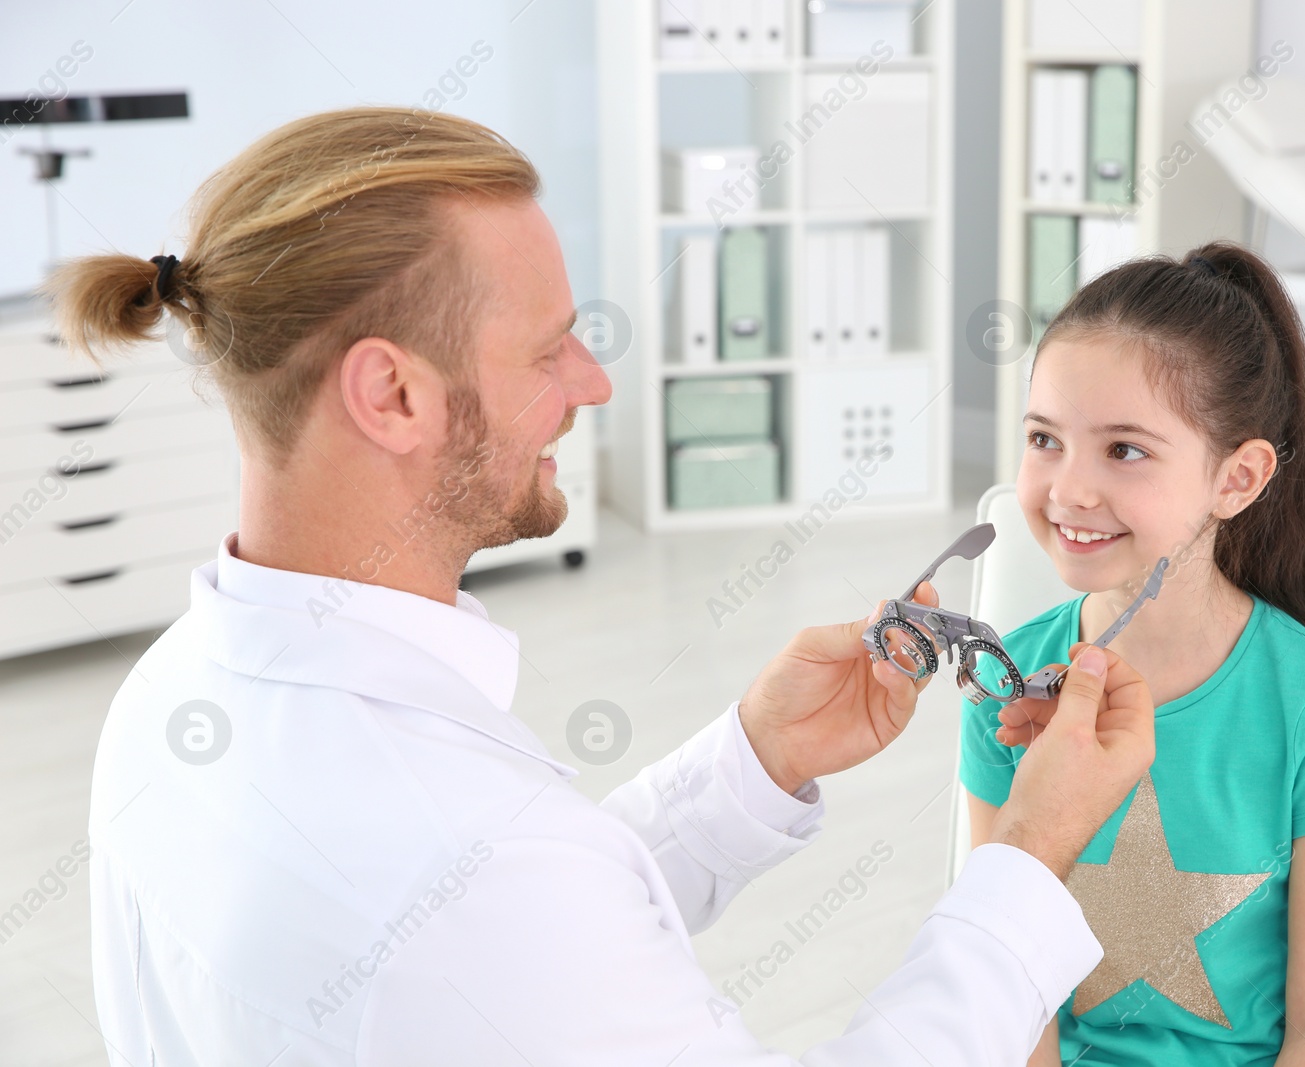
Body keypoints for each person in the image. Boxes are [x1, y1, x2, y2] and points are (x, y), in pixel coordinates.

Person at [48, 107, 1158, 1066]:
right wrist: (1026, 856)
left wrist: (752, 765)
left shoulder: (166, 700)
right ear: (390, 393)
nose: (595, 379)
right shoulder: (469, 858)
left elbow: (514, 972)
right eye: (549, 349)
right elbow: (504, 917)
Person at [961, 243, 1305, 1066]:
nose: (1069, 489)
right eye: (1045, 438)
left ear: (1237, 479)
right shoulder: (1001, 687)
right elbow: (1013, 1004)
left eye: (1124, 450)